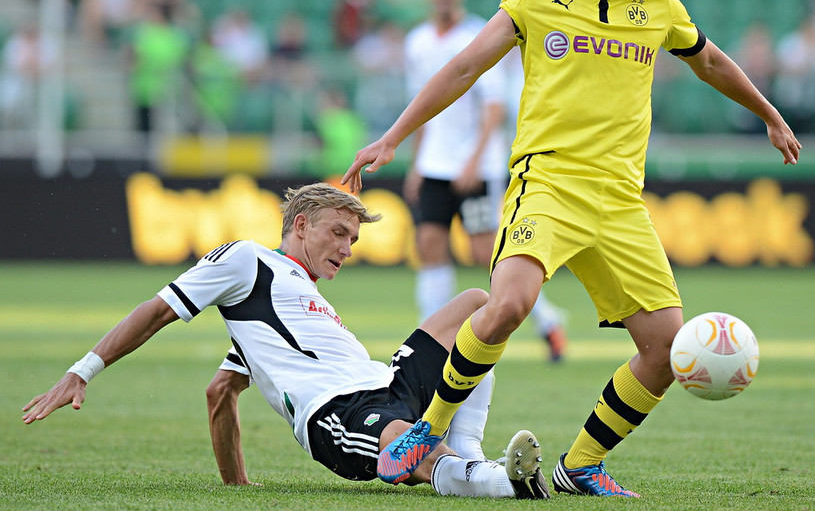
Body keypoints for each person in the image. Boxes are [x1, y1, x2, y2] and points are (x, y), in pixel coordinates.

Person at [343, 0, 801, 497]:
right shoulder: (535, 1)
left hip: (619, 203)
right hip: (549, 185)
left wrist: (769, 113)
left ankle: (581, 464)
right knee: (508, 305)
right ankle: (429, 429)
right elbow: (463, 67)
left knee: (665, 348)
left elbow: (710, 61)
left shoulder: (657, 6)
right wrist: (394, 136)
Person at [22, 182, 549, 499]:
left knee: (479, 304)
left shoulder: (285, 312)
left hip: (387, 381)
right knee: (404, 449)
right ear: (301, 224)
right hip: (337, 412)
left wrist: (239, 489)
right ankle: (499, 481)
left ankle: (469, 451)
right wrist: (83, 369)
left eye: (354, 240)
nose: (347, 248)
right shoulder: (246, 260)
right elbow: (157, 310)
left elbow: (219, 392)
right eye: (337, 234)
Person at [403, 0, 567, 361]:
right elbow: (421, 105)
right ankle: (430, 338)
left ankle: (548, 321)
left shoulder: (479, 34)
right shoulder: (418, 42)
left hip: (476, 167)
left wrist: (474, 161)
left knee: (484, 254)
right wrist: (416, 163)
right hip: (435, 164)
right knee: (429, 244)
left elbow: (494, 107)